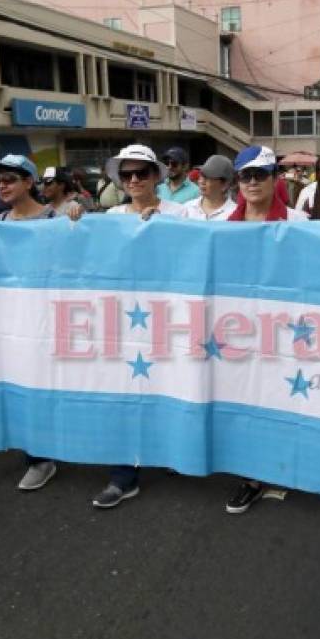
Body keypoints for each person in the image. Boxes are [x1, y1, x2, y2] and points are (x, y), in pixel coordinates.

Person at [91, 144, 186, 509]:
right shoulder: (111, 215)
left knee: (171, 388)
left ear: (156, 177)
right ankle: (123, 475)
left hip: (171, 320)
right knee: (124, 394)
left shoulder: (183, 213)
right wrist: (72, 218)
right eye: (126, 174)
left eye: (141, 173)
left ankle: (173, 453)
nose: (133, 180)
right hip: (124, 322)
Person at [223, 145, 308, 516]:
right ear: (237, 181)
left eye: (260, 174)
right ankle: (251, 476)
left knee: (282, 398)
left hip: (285, 332)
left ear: (276, 178)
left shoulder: (299, 224)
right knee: (244, 401)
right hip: (238, 332)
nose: (253, 182)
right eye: (246, 175)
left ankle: (286, 464)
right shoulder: (221, 227)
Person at [0, 154, 64, 490]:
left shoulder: (53, 218)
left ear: (29, 182)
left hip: (50, 318)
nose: (2, 186)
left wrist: (75, 220)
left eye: (10, 179)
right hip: (12, 320)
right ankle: (37, 457)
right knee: (19, 383)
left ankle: (63, 444)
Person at [182, 155, 237, 221]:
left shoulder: (235, 214)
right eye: (201, 176)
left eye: (207, 178)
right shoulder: (187, 208)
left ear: (225, 185)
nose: (201, 181)